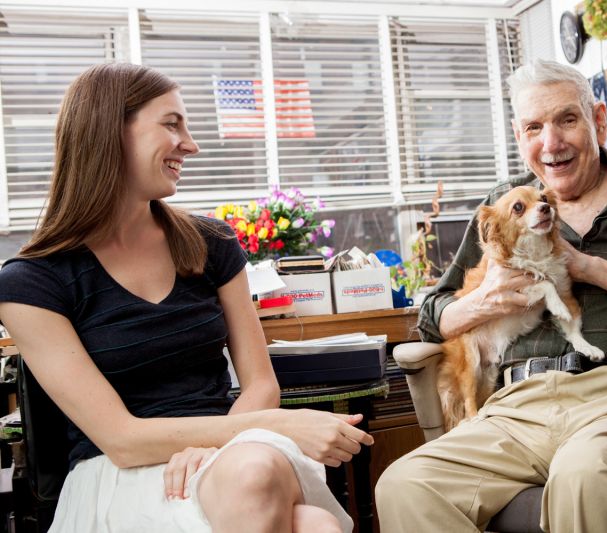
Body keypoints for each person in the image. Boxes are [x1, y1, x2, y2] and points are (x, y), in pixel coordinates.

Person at [0, 63, 373, 533]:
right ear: (107, 130)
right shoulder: (32, 281)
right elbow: (121, 439)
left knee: (253, 471)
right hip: (119, 473)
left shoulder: (210, 243)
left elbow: (261, 385)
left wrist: (224, 444)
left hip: (231, 458)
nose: (190, 144)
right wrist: (272, 428)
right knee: (314, 525)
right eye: (172, 124)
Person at [375, 59, 607, 532]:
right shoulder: (507, 202)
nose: (552, 143)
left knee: (585, 475)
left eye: (567, 119)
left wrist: (585, 267)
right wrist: (487, 298)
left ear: (598, 119)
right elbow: (432, 317)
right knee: (404, 484)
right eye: (534, 127)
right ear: (518, 135)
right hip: (518, 406)